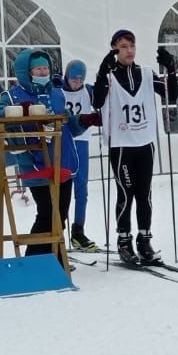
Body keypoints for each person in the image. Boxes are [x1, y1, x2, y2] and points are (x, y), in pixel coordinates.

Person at [92, 29, 178, 265]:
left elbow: (172, 95)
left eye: (131, 45)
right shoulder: (109, 78)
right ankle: (123, 241)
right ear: (114, 50)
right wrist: (102, 70)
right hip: (121, 145)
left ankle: (144, 240)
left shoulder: (147, 74)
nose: (128, 50)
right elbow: (96, 101)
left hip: (145, 143)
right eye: (122, 46)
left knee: (145, 194)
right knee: (125, 193)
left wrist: (171, 69)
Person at [0, 49, 82, 258]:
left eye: (46, 68)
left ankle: (54, 257)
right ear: (26, 71)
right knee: (47, 212)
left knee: (61, 214)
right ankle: (35, 259)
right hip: (35, 162)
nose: (43, 72)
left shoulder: (57, 93)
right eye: (38, 68)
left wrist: (83, 121)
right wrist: (21, 112)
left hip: (62, 159)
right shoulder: (13, 95)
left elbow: (67, 123)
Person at [60, 59, 103, 251]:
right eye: (73, 79)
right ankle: (57, 231)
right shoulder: (57, 91)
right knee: (63, 188)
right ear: (66, 76)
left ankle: (78, 231)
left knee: (81, 187)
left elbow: (102, 98)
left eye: (80, 79)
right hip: (64, 142)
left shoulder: (88, 90)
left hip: (82, 142)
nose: (76, 83)